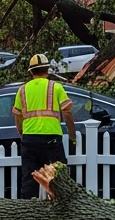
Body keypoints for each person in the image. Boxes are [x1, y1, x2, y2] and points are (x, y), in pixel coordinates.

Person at [12, 53, 75, 198]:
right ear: (47, 69)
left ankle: (27, 215)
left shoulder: (22, 90)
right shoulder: (55, 87)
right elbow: (67, 113)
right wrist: (72, 137)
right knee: (59, 180)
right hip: (52, 138)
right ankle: (61, 214)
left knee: (29, 181)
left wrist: (23, 135)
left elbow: (18, 117)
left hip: (30, 139)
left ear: (31, 71)